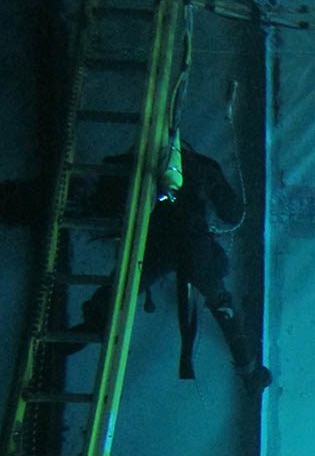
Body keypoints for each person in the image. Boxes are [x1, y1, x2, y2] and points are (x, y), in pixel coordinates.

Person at [71, 142, 271, 395]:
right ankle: (249, 370)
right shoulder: (201, 165)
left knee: (122, 290)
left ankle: (92, 323)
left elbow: (104, 200)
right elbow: (231, 213)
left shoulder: (130, 162)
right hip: (192, 244)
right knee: (222, 305)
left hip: (155, 242)